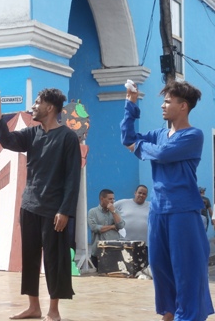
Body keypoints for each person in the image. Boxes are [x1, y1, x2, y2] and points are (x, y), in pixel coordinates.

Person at [120, 80, 214, 321]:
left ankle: (189, 317)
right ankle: (169, 314)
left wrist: (139, 147)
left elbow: (162, 153)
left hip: (183, 211)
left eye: (168, 101)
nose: (162, 106)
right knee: (160, 268)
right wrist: (130, 104)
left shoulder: (194, 135)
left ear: (183, 106)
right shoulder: (159, 134)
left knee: (187, 270)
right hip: (158, 211)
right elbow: (128, 138)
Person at [0, 87, 81, 321]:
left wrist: (65, 210)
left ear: (50, 107)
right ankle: (33, 307)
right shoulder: (31, 134)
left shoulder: (68, 137)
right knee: (29, 257)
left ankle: (53, 309)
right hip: (29, 205)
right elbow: (5, 139)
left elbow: (72, 177)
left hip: (54, 211)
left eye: (38, 102)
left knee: (54, 258)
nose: (33, 106)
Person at [87, 189, 125, 270]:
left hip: (114, 251)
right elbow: (95, 228)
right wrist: (112, 227)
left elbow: (121, 225)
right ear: (102, 199)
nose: (112, 201)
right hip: (98, 252)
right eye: (110, 199)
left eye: (113, 199)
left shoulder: (115, 211)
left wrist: (113, 212)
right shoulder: (92, 212)